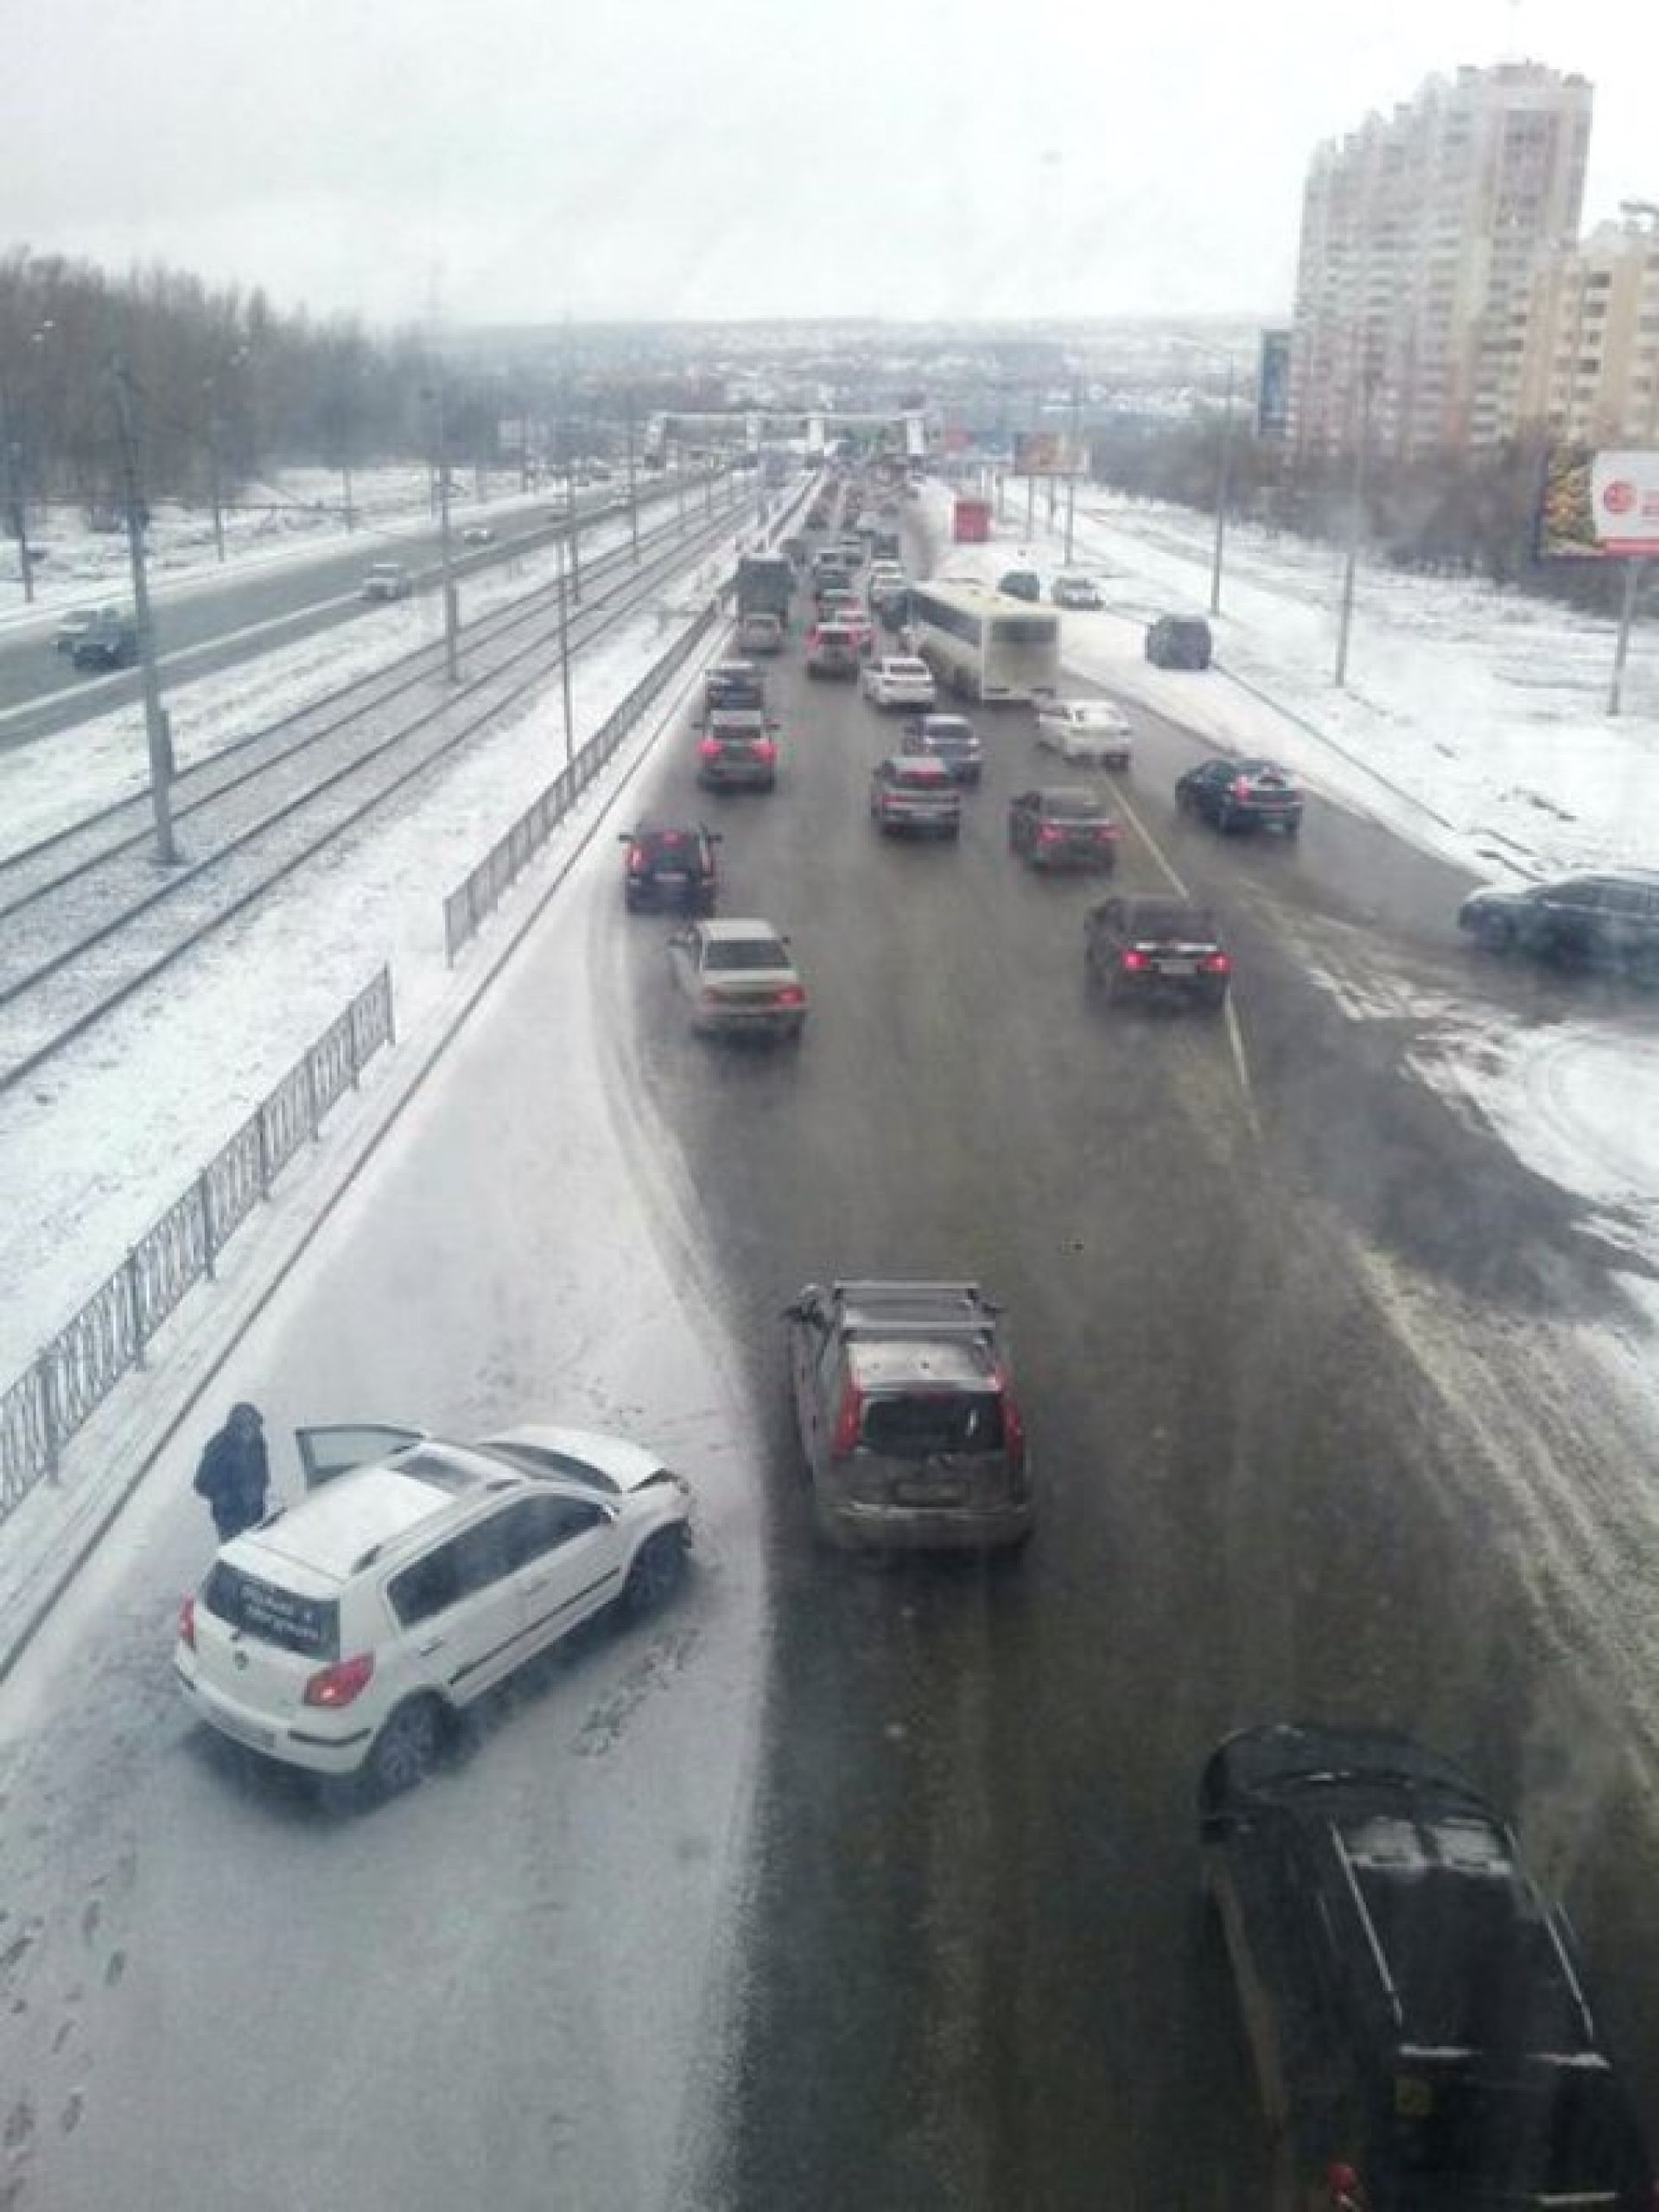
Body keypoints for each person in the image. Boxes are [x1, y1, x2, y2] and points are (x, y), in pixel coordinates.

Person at [193, 1402, 270, 1543]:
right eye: (248, 1427)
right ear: (236, 1427)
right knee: (237, 1554)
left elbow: (262, 1471)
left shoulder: (258, 1443)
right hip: (230, 1518)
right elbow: (200, 1482)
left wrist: (260, 1487)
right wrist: (225, 1496)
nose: (252, 1432)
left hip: (256, 1514)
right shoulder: (218, 1447)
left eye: (255, 1427)